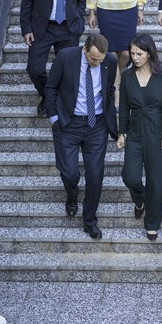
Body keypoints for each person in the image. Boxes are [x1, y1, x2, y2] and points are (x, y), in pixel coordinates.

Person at [45, 33, 118, 239]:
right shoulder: (65, 57)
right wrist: (54, 118)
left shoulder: (110, 62)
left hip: (97, 125)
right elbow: (51, 87)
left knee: (95, 175)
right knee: (69, 173)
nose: (97, 63)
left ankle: (90, 221)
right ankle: (72, 195)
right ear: (85, 49)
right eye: (93, 58)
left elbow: (109, 89)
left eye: (100, 60)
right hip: (68, 123)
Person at [20, 0, 86, 116]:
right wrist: (26, 28)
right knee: (34, 69)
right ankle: (48, 96)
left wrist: (78, 21)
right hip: (43, 28)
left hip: (68, 28)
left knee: (67, 71)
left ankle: (56, 99)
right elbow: (27, 1)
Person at [117, 33, 162, 241]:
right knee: (129, 176)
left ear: (149, 53)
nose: (135, 57)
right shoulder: (127, 75)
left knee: (155, 181)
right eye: (132, 53)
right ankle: (139, 199)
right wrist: (121, 132)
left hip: (157, 134)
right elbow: (123, 106)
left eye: (139, 53)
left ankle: (152, 223)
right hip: (135, 133)